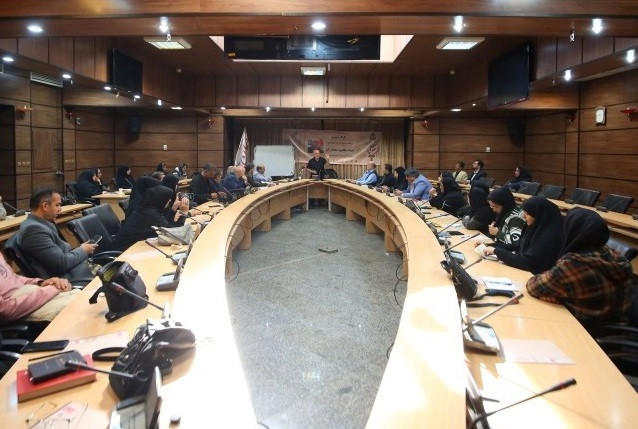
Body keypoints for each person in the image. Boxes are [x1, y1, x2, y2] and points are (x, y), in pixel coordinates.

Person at [526, 208, 635, 329]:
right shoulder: (613, 254)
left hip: (584, 329)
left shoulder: (573, 265)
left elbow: (533, 287)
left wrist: (558, 298)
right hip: (614, 324)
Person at [15, 188, 98, 283]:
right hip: (68, 280)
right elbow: (62, 264)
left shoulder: (41, 223)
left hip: (76, 270)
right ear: (45, 206)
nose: (60, 209)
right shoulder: (33, 230)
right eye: (57, 205)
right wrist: (83, 250)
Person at [483, 196, 564, 274]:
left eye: (527, 214)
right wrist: (492, 246)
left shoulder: (549, 237)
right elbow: (517, 246)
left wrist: (497, 251)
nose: (523, 216)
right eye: (524, 212)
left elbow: (528, 263)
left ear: (538, 215)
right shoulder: (534, 227)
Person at [0, 252, 79, 323]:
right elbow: (4, 311)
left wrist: (41, 283)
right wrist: (51, 289)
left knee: (79, 297)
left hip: (33, 295)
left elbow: (14, 278)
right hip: (21, 308)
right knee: (74, 311)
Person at [111, 186, 188, 252]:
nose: (170, 200)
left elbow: (167, 225)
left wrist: (173, 208)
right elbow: (174, 235)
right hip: (123, 254)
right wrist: (184, 213)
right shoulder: (150, 215)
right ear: (160, 199)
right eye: (168, 198)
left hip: (132, 249)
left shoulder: (146, 209)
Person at [482, 187, 526, 251]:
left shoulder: (516, 218)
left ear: (504, 204)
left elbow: (515, 241)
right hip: (501, 248)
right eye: (491, 207)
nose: (494, 210)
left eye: (495, 207)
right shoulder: (506, 211)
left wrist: (497, 233)